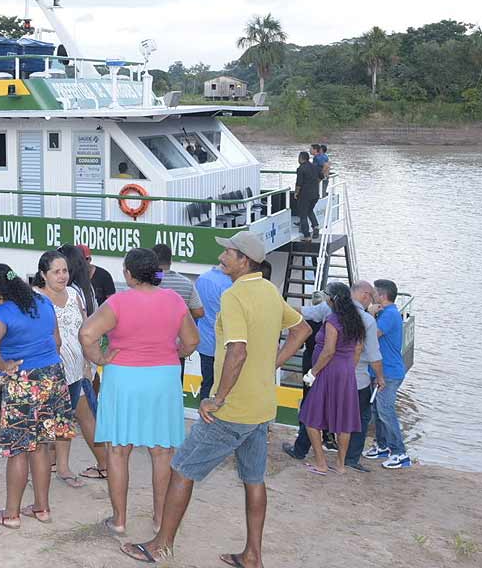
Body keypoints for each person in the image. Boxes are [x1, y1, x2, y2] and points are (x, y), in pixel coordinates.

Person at [122, 230, 311, 566]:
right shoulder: (268, 290)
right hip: (261, 406)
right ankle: (253, 554)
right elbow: (301, 330)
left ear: (244, 260)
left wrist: (216, 398)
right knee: (253, 479)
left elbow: (237, 350)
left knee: (181, 469)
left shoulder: (235, 296)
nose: (222, 256)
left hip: (233, 408)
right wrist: (272, 364)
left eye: (229, 253)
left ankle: (160, 545)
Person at [80, 247, 199, 535]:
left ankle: (119, 520)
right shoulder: (173, 300)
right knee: (162, 452)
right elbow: (192, 340)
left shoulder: (119, 302)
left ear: (128, 274)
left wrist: (99, 358)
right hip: (164, 379)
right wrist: (173, 351)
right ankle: (160, 518)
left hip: (124, 379)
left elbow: (86, 333)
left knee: (119, 451)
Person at [0, 263, 74, 529]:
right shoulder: (42, 302)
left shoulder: (2, 313)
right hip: (52, 377)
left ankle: (11, 515)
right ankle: (42, 508)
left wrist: (4, 365)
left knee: (19, 450)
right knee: (42, 445)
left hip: (24, 382)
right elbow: (57, 342)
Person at [284, 282, 384, 473]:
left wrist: (313, 372)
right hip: (347, 372)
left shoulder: (333, 319)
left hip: (328, 371)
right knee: (344, 420)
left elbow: (329, 351)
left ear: (332, 299)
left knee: (311, 417)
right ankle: (340, 465)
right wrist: (348, 369)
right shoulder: (360, 319)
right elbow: (358, 349)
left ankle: (321, 463)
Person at [31, 251, 106, 488]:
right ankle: (39, 473)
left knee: (65, 421)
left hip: (75, 371)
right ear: (44, 274)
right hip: (47, 372)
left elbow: (86, 327)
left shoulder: (74, 294)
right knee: (43, 425)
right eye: (56, 272)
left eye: (65, 271)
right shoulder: (34, 298)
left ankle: (63, 468)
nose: (62, 276)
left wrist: (87, 362)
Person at [364, 279, 411, 469]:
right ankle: (382, 445)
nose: (372, 296)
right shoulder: (386, 313)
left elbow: (371, 335)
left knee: (386, 411)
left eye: (374, 293)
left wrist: (369, 313)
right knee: (377, 409)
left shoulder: (390, 314)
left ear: (382, 296)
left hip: (390, 372)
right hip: (381, 370)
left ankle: (400, 453)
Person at [151, 244, 204, 385]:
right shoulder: (185, 282)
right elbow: (199, 311)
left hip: (149, 347)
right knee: (173, 388)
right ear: (170, 260)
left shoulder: (149, 281)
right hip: (176, 347)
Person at [193, 265, 232, 401]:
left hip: (205, 341)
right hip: (225, 344)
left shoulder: (202, 278)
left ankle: (204, 417)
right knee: (225, 385)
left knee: (208, 382)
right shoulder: (229, 283)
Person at [295, 150, 321, 240]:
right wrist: (314, 184)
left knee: (303, 215)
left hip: (304, 195)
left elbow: (299, 183)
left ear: (301, 158)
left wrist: (296, 193)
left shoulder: (301, 168)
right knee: (310, 210)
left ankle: (306, 236)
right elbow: (321, 176)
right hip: (315, 194)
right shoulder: (315, 167)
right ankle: (316, 227)